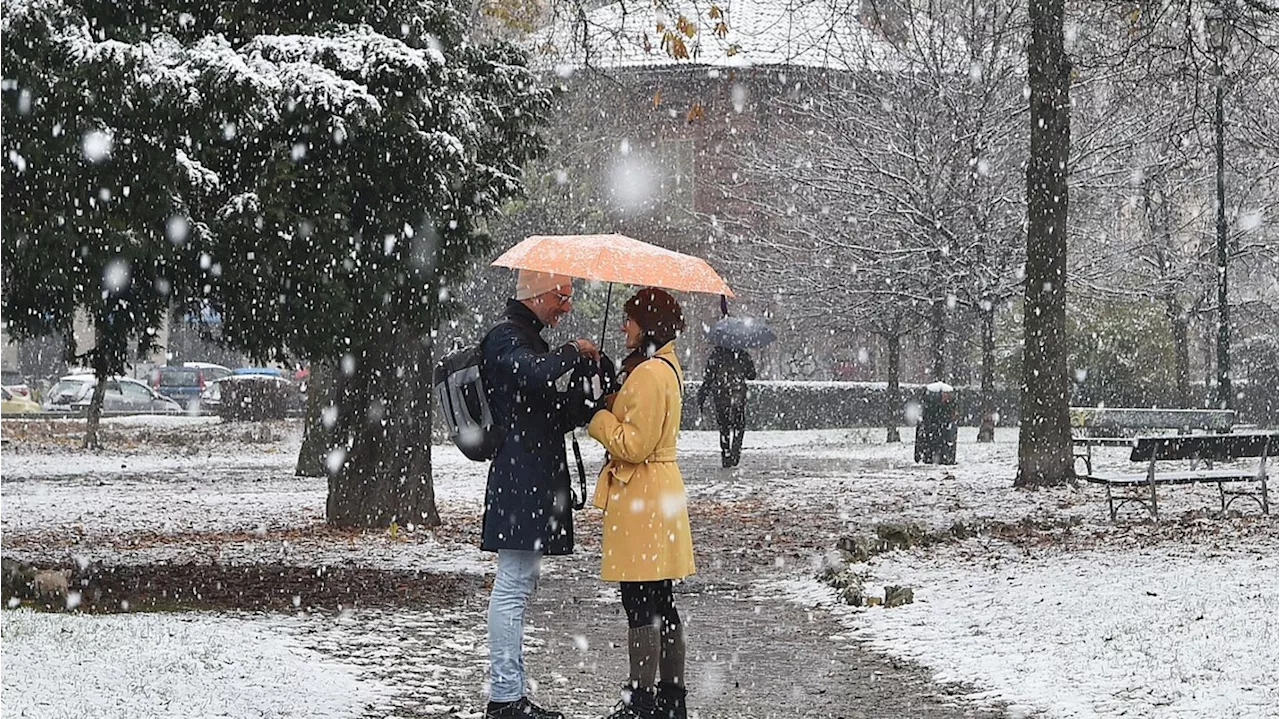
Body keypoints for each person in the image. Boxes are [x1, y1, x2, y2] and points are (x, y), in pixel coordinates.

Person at [479, 269, 600, 719]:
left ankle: (510, 696)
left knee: (519, 584)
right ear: (539, 295)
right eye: (563, 297)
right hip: (519, 479)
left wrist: (590, 377)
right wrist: (573, 352)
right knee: (511, 587)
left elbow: (552, 415)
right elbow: (534, 376)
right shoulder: (506, 339)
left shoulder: (529, 341)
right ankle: (506, 699)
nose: (567, 307)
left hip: (530, 479)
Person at [587, 287, 695, 719]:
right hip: (658, 492)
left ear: (647, 323)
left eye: (630, 319)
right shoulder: (664, 367)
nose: (623, 326)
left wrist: (599, 418)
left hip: (643, 495)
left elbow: (634, 444)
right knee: (660, 599)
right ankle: (670, 698)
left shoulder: (650, 373)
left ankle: (643, 701)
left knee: (640, 602)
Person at [697, 345, 756, 467]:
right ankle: (735, 450)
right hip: (738, 396)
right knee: (739, 425)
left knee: (724, 427)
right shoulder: (742, 355)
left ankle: (726, 454)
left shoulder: (716, 355)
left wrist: (702, 395)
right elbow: (752, 375)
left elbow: (708, 378)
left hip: (721, 396)